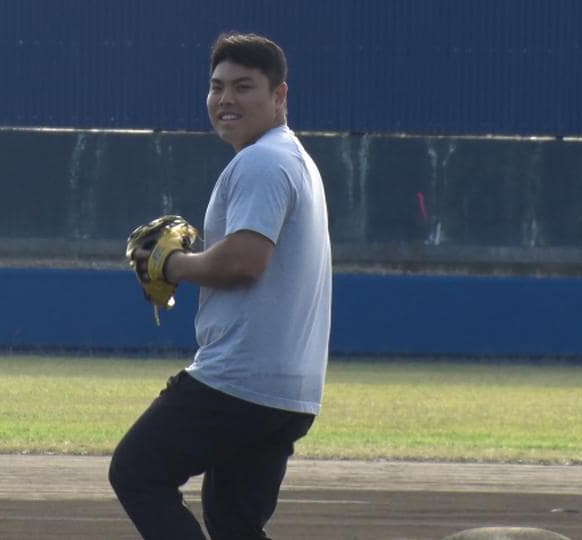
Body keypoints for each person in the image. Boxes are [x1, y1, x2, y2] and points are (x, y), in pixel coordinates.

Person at [109, 32, 333, 540]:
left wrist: (174, 264)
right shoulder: (292, 159)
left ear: (280, 96)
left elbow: (245, 261)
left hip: (240, 377)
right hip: (289, 390)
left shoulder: (263, 161)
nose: (226, 100)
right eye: (217, 87)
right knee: (235, 523)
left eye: (244, 87)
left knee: (137, 472)